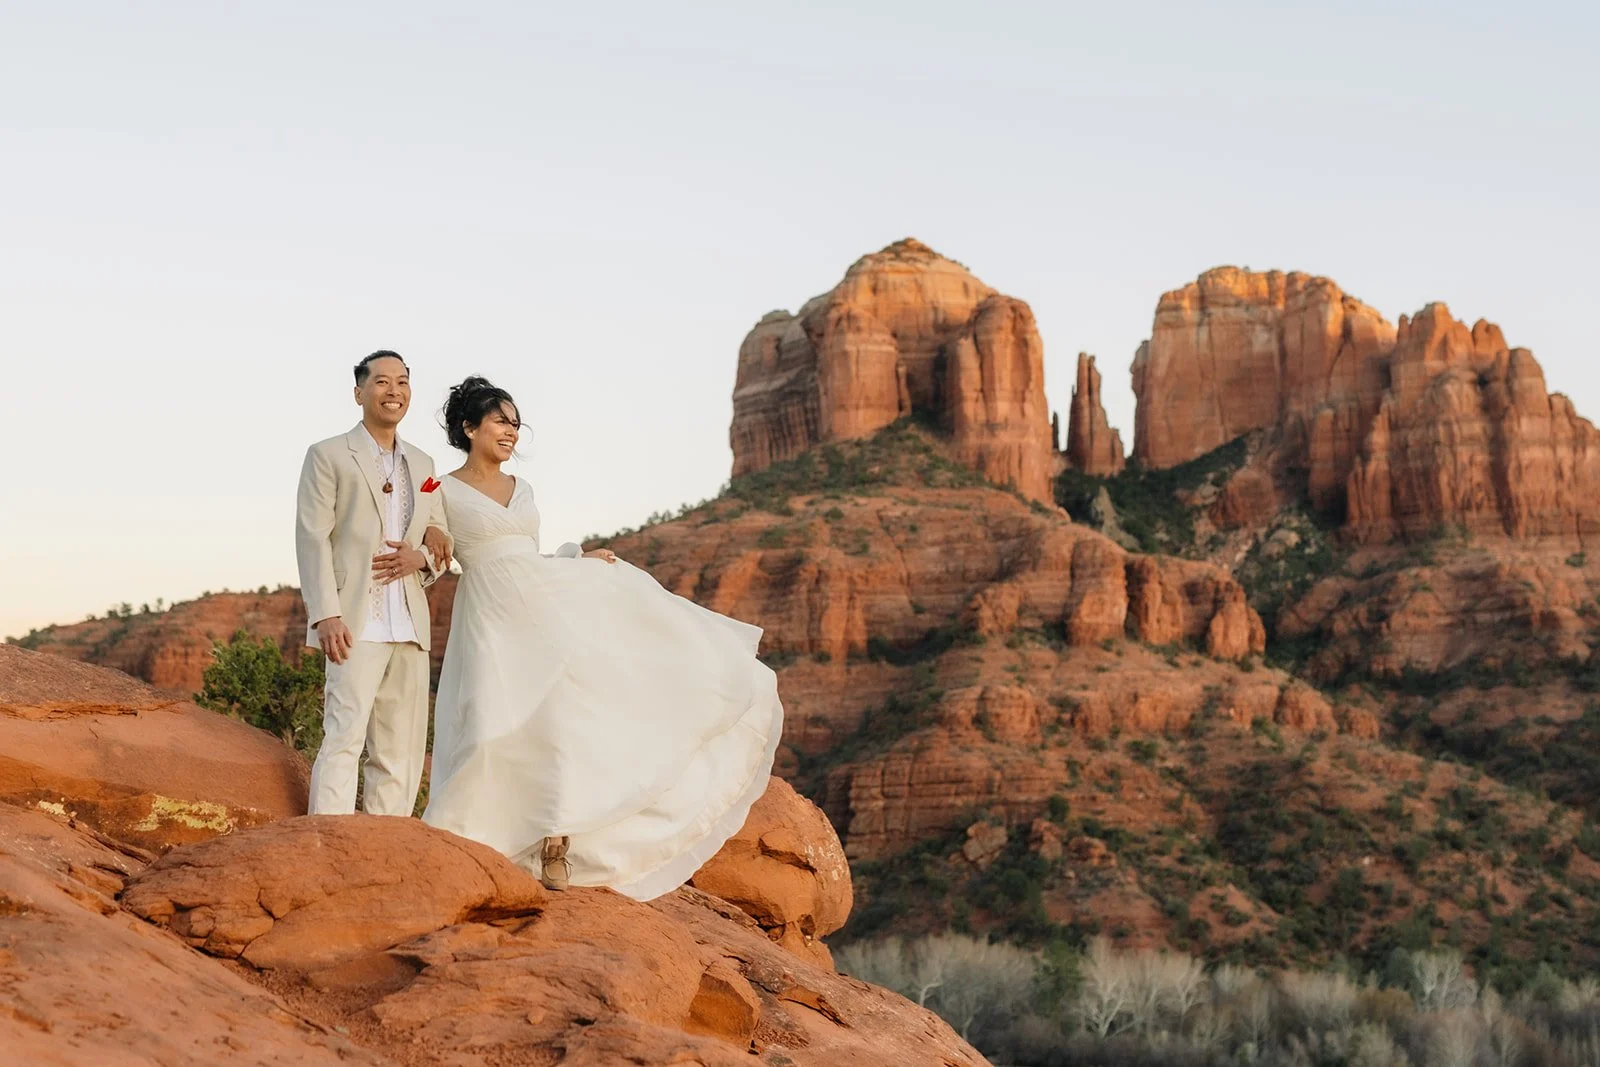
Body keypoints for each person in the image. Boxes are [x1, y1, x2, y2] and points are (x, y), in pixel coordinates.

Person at [421, 376, 782, 897]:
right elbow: (431, 547)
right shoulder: (440, 486)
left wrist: (576, 561)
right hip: (488, 608)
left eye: (516, 423)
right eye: (501, 420)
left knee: (558, 718)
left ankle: (557, 842)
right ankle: (482, 840)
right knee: (491, 718)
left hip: (541, 602)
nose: (511, 431)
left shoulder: (524, 489)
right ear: (468, 426)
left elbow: (527, 553)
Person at [295, 351, 453, 816]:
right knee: (344, 738)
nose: (394, 391)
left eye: (402, 382)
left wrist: (422, 555)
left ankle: (387, 853)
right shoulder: (327, 455)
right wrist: (325, 613)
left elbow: (439, 540)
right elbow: (311, 536)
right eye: (382, 382)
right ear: (359, 392)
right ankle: (328, 842)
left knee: (400, 751)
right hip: (353, 620)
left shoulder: (424, 465)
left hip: (408, 623)